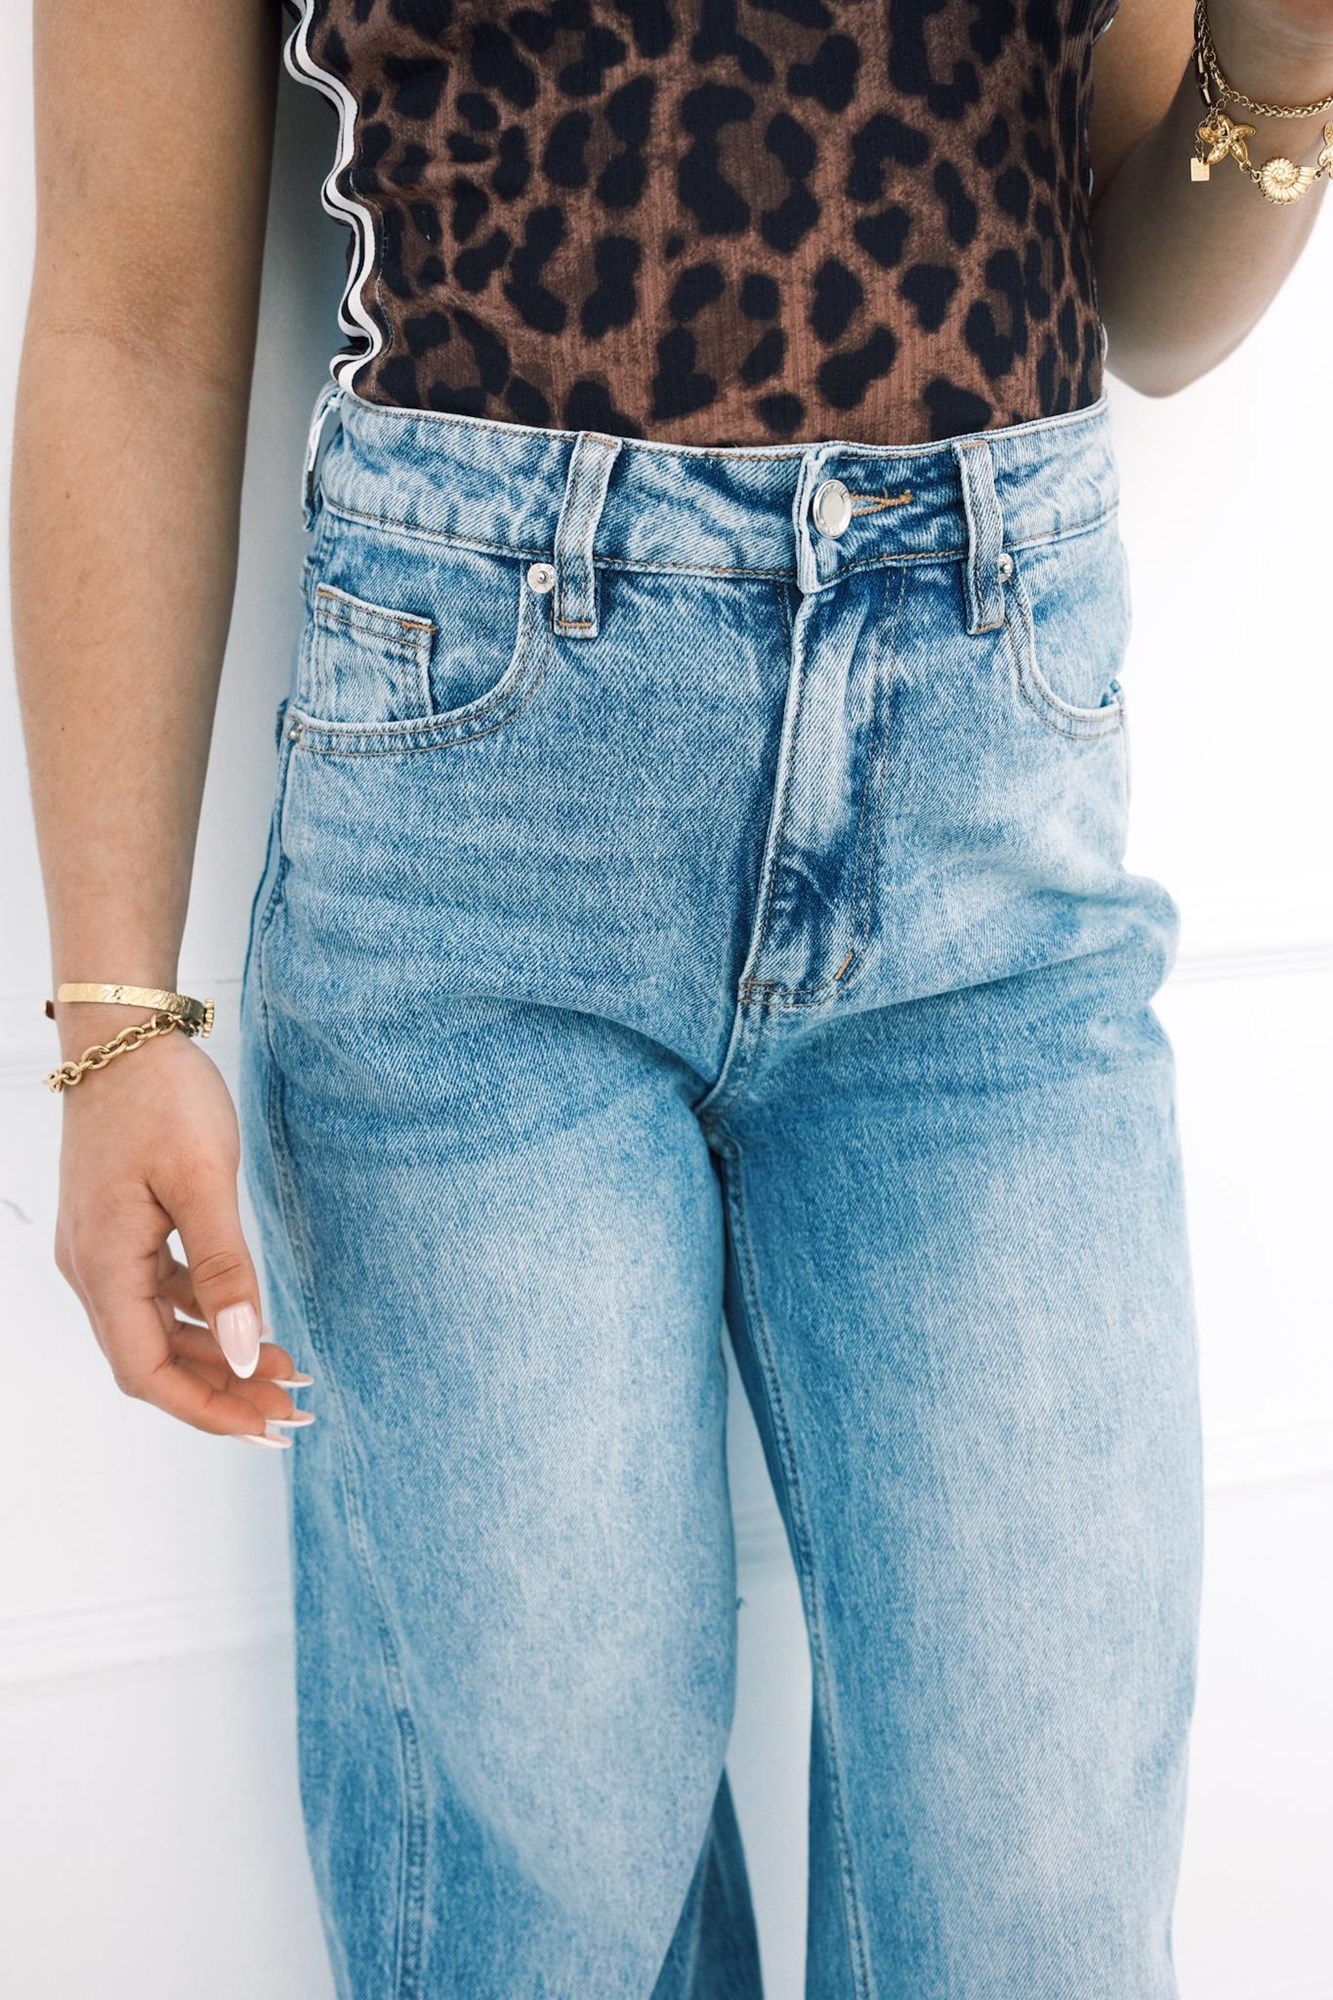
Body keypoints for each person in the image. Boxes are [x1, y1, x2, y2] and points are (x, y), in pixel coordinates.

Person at [12, 0, 1332, 1993]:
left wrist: (1286, 57)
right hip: (479, 840)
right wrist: (114, 1008)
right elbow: (132, 314)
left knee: (1042, 1906)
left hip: (989, 819)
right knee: (550, 1895)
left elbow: (1142, 297)